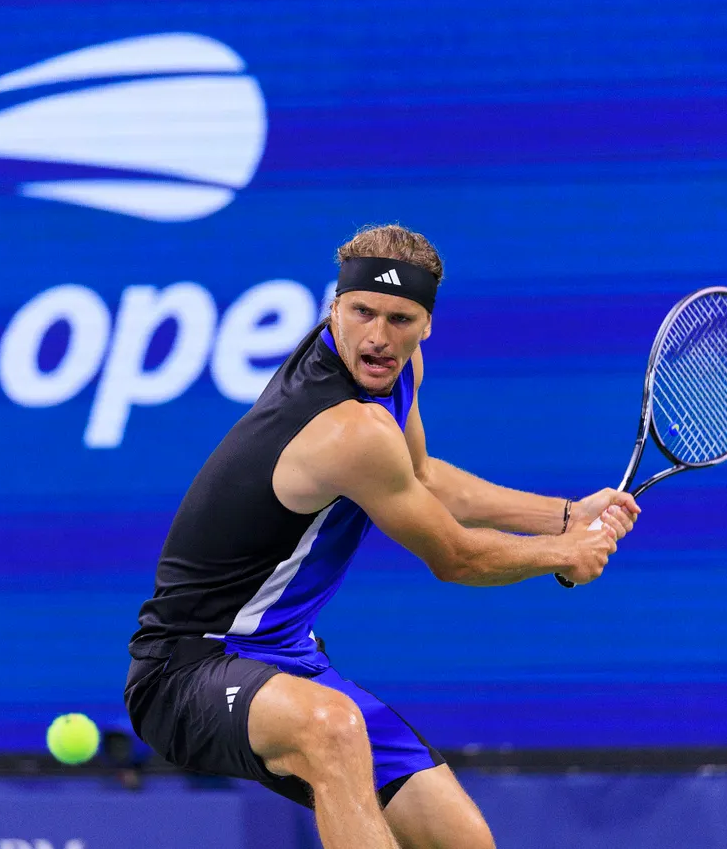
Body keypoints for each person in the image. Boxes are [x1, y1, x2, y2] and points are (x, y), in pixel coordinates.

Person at [125, 224, 640, 849]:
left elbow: (420, 476)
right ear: (333, 310)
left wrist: (564, 517)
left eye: (400, 318)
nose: (378, 336)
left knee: (461, 839)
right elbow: (454, 556)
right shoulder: (347, 430)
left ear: (427, 326)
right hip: (187, 668)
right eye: (362, 312)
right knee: (331, 731)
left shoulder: (397, 374)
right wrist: (563, 556)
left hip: (288, 657)